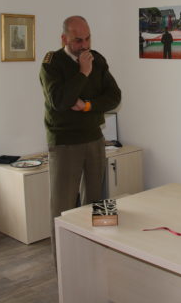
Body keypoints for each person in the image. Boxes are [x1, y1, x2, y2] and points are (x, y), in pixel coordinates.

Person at [39, 16, 121, 262]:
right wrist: (83, 73)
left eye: (87, 38)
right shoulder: (51, 63)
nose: (84, 45)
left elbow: (115, 97)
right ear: (64, 39)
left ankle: (97, 257)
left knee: (98, 201)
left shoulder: (98, 58)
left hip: (94, 137)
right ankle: (63, 266)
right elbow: (60, 101)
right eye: (78, 40)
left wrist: (87, 106)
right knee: (63, 207)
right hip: (64, 142)